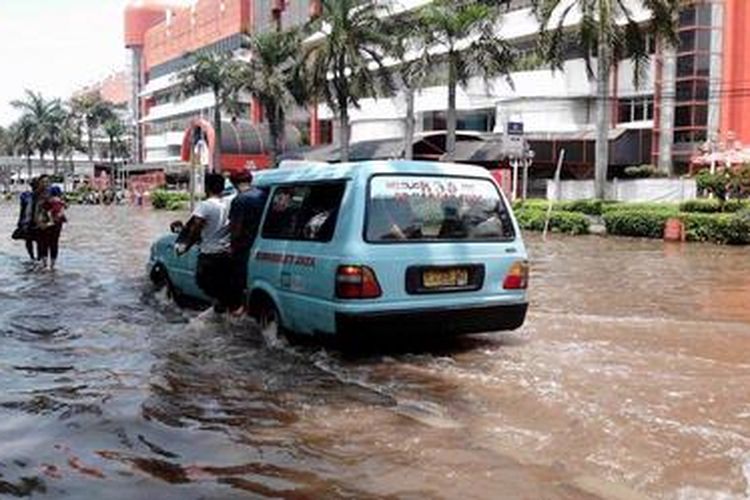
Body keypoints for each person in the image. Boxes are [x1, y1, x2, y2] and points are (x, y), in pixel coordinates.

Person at [174, 173, 235, 313]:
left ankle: (218, 310)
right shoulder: (229, 202)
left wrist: (185, 247)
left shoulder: (204, 206)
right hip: (226, 254)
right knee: (222, 287)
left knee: (204, 283)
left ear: (206, 187)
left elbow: (195, 229)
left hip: (209, 254)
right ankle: (223, 309)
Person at [227, 170, 269, 314]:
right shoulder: (263, 195)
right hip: (263, 244)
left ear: (233, 183)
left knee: (238, 280)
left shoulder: (240, 200)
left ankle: (239, 308)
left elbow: (236, 228)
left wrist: (231, 246)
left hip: (244, 247)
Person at [38, 186, 67, 270]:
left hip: (46, 224)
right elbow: (63, 210)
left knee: (45, 243)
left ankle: (44, 264)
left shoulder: (46, 202)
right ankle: (52, 265)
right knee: (54, 243)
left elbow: (42, 212)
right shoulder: (60, 202)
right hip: (57, 225)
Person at [15, 178, 39, 261]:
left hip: (36, 220)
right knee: (29, 240)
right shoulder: (26, 196)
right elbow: (23, 210)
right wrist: (20, 221)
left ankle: (37, 257)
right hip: (28, 221)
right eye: (34, 184)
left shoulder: (41, 195)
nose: (35, 186)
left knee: (38, 240)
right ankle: (32, 257)